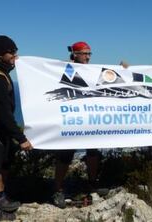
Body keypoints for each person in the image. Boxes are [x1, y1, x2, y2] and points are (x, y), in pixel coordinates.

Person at [0, 35, 33, 221]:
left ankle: (0, 198)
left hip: (2, 126)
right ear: (1, 53)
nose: (15, 56)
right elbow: (3, 111)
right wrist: (21, 138)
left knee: (5, 161)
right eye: (12, 52)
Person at [52, 41, 107, 209]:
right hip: (72, 119)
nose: (88, 57)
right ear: (75, 54)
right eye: (84, 53)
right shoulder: (66, 68)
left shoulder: (91, 70)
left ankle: (92, 184)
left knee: (93, 151)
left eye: (90, 53)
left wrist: (122, 69)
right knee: (66, 154)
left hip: (88, 118)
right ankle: (57, 190)